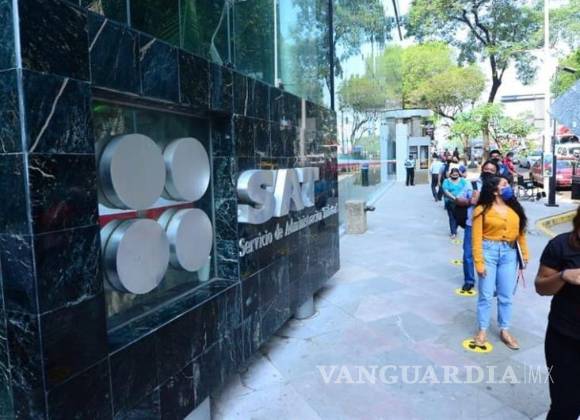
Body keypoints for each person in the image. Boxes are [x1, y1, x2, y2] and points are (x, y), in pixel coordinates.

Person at [472, 176, 528, 349]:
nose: (508, 186)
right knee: (486, 294)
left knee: (506, 295)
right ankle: (482, 329)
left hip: (509, 254)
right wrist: (479, 263)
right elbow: (476, 239)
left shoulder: (514, 208)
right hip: (488, 252)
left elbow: (520, 234)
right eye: (504, 184)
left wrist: (524, 254)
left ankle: (505, 330)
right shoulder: (481, 209)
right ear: (495, 190)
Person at [535, 207, 580, 419]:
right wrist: (563, 276)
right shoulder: (561, 245)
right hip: (565, 339)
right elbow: (541, 287)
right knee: (565, 407)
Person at [456, 160, 500, 292]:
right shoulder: (471, 184)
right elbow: (458, 199)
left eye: (492, 170)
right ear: (482, 169)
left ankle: (491, 282)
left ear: (496, 172)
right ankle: (469, 280)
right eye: (486, 169)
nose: (489, 172)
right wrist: (470, 201)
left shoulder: (500, 186)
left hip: (492, 226)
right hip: (472, 224)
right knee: (468, 254)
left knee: (491, 256)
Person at [442, 168, 471, 239]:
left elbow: (467, 188)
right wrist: (454, 198)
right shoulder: (446, 181)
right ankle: (453, 232)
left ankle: (455, 228)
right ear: (450, 174)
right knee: (452, 217)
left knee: (458, 217)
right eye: (453, 175)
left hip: (461, 202)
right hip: (450, 202)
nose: (455, 176)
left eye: (456, 175)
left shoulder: (462, 181)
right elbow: (445, 191)